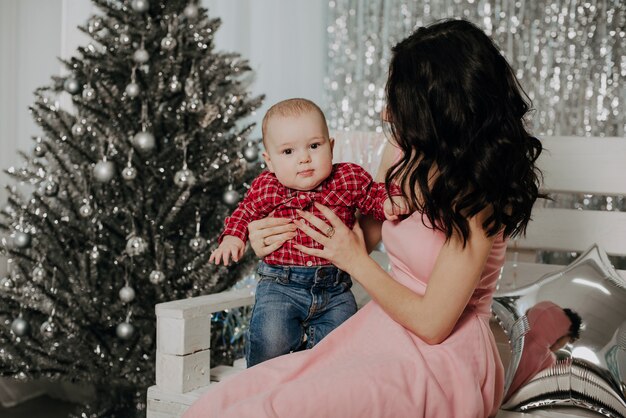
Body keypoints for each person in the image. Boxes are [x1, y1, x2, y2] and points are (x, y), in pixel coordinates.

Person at [185, 18, 544, 418]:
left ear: (440, 109)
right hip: (381, 328)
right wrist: (273, 237)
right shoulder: (403, 152)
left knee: (278, 408)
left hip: (442, 357)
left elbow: (433, 323)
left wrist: (355, 260)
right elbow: (361, 234)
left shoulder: (479, 199)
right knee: (229, 400)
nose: (385, 111)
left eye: (399, 101)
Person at [210, 98, 407, 367]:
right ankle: (263, 388)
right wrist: (233, 237)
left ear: (331, 147)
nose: (304, 158)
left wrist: (388, 202)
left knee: (340, 349)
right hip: (281, 284)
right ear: (269, 161)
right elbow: (244, 212)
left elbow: (373, 195)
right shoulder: (268, 187)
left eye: (314, 146)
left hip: (334, 286)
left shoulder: (347, 178)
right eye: (288, 152)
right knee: (270, 339)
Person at [504, 301, 582, 401]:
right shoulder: (547, 359)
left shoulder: (514, 331)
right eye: (567, 340)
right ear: (564, 333)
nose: (563, 346)